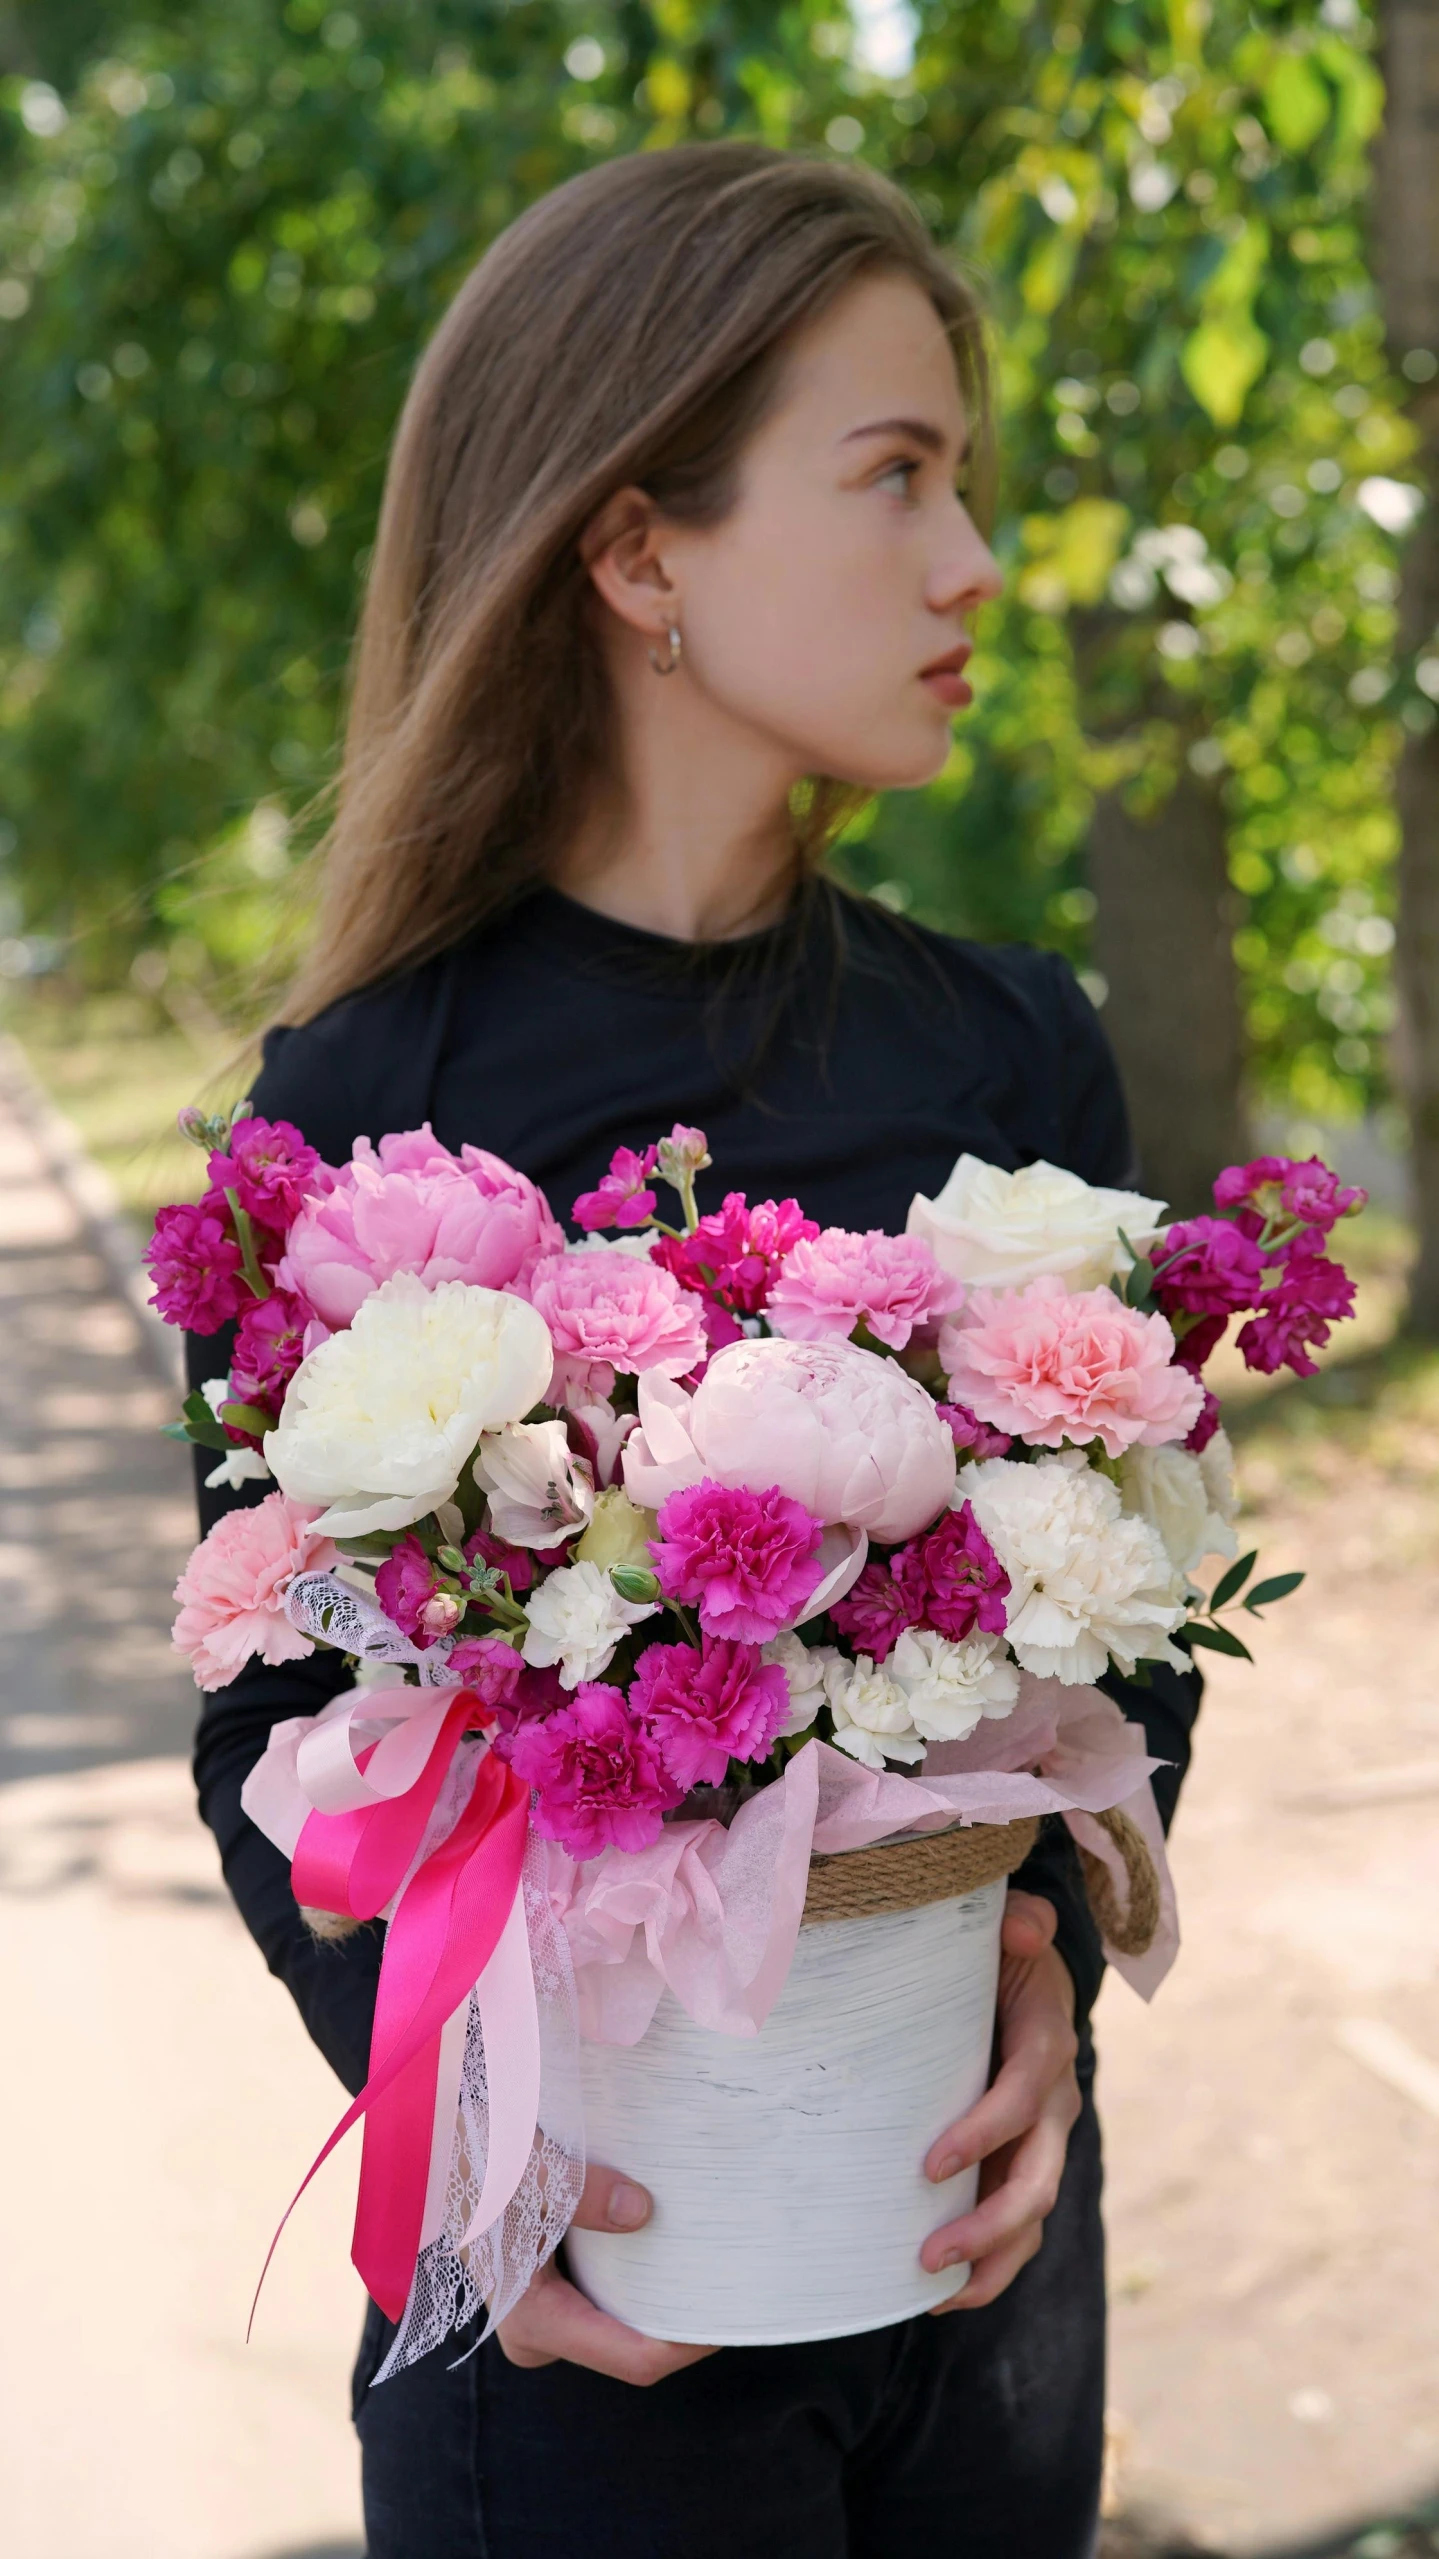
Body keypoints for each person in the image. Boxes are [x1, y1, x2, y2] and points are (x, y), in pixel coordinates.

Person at [189, 142, 1200, 2559]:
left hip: (979, 2281)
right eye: (895, 479)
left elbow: (1137, 1612)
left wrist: (1054, 1957)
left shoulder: (1017, 1058)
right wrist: (457, 2152)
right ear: (638, 554)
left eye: (962, 478)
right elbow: (265, 1712)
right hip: (587, 2340)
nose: (969, 563)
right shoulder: (357, 1102)